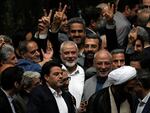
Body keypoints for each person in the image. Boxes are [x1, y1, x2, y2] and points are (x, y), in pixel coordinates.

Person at [60, 41, 85, 109]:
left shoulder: (84, 72)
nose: (70, 56)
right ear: (60, 55)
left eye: (73, 53)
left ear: (77, 54)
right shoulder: (56, 72)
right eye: (66, 53)